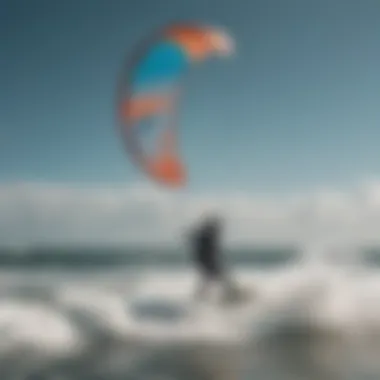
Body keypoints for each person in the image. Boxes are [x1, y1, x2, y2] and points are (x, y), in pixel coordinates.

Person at [189, 214, 240, 302]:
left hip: (206, 263)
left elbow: (211, 252)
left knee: (210, 281)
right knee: (219, 280)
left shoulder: (206, 237)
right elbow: (210, 252)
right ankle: (231, 296)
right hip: (208, 263)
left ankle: (199, 297)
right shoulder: (207, 237)